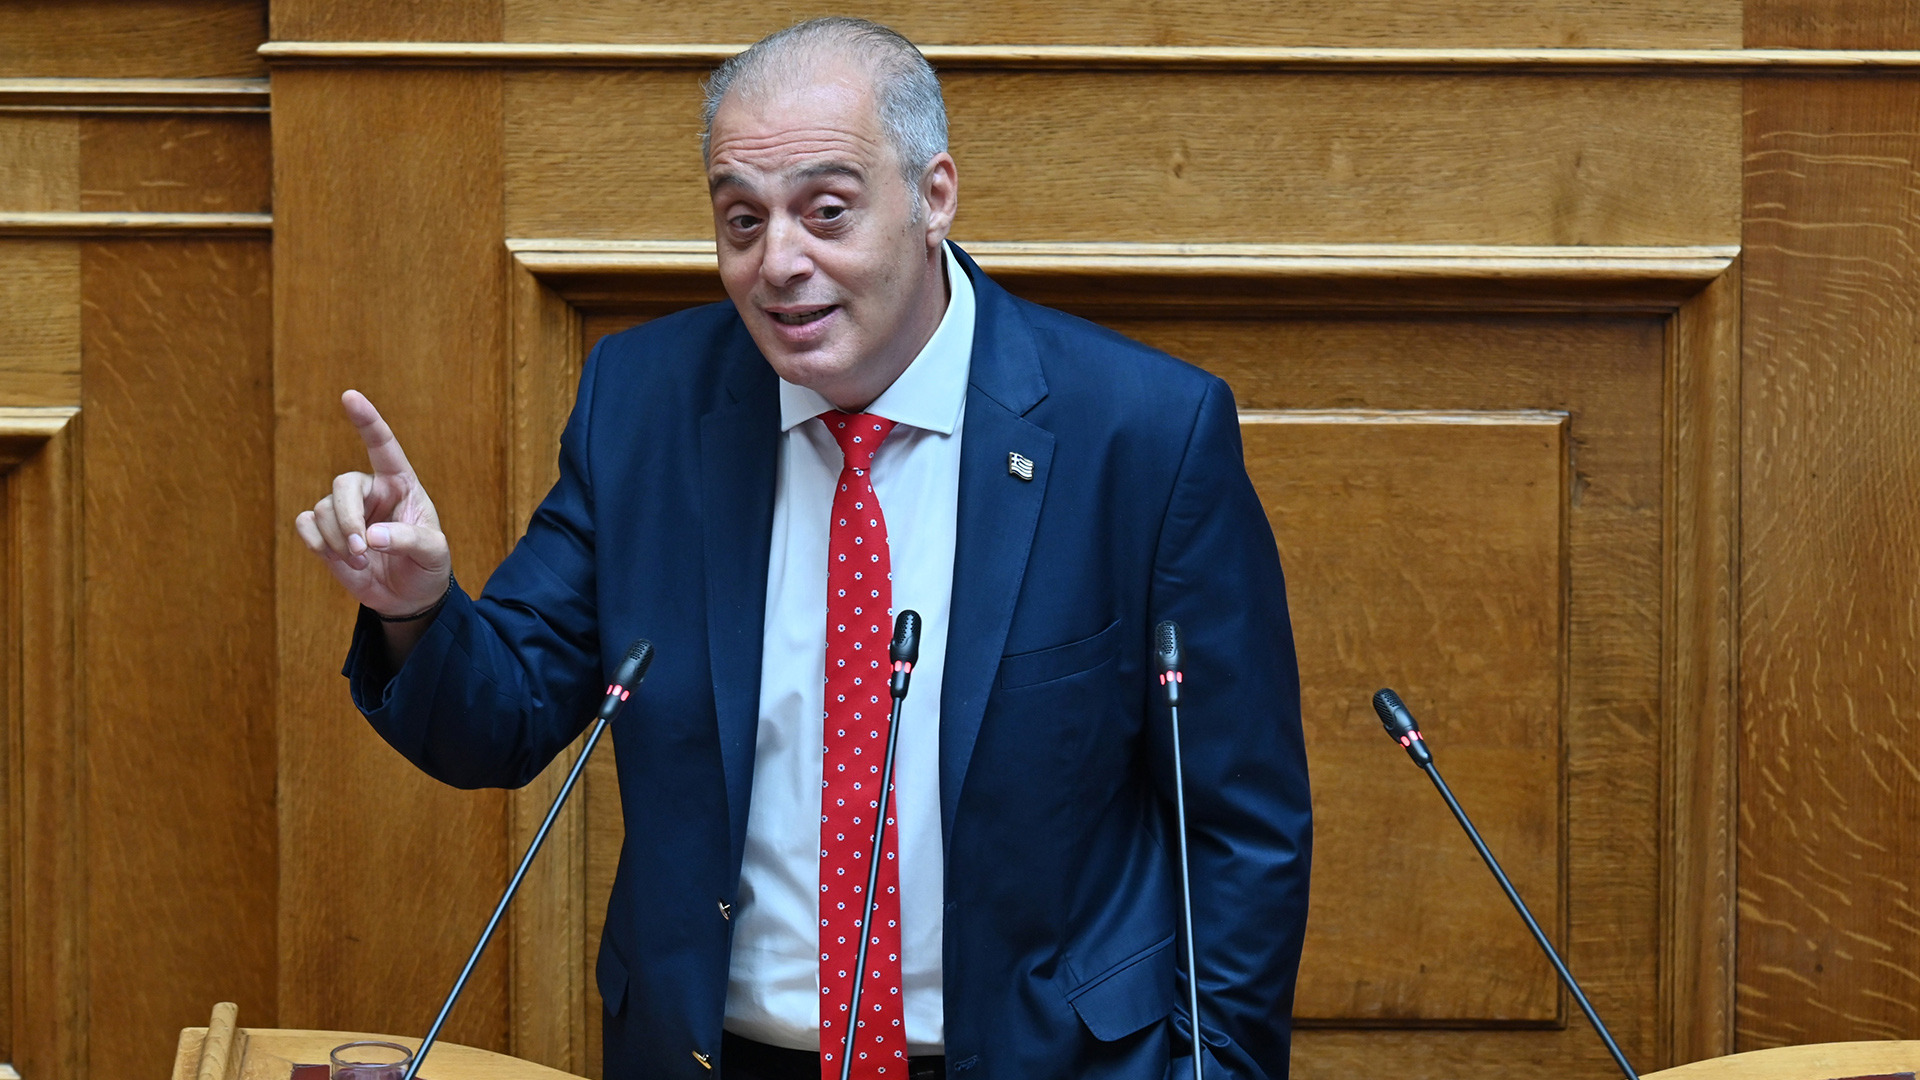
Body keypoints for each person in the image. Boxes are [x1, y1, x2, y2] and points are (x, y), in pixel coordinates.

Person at [295, 17, 1310, 1080]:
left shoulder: (1140, 433)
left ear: (933, 196)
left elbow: (1242, 828)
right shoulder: (644, 407)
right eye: (742, 221)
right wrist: (417, 609)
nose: (779, 263)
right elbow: (499, 722)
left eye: (827, 212)